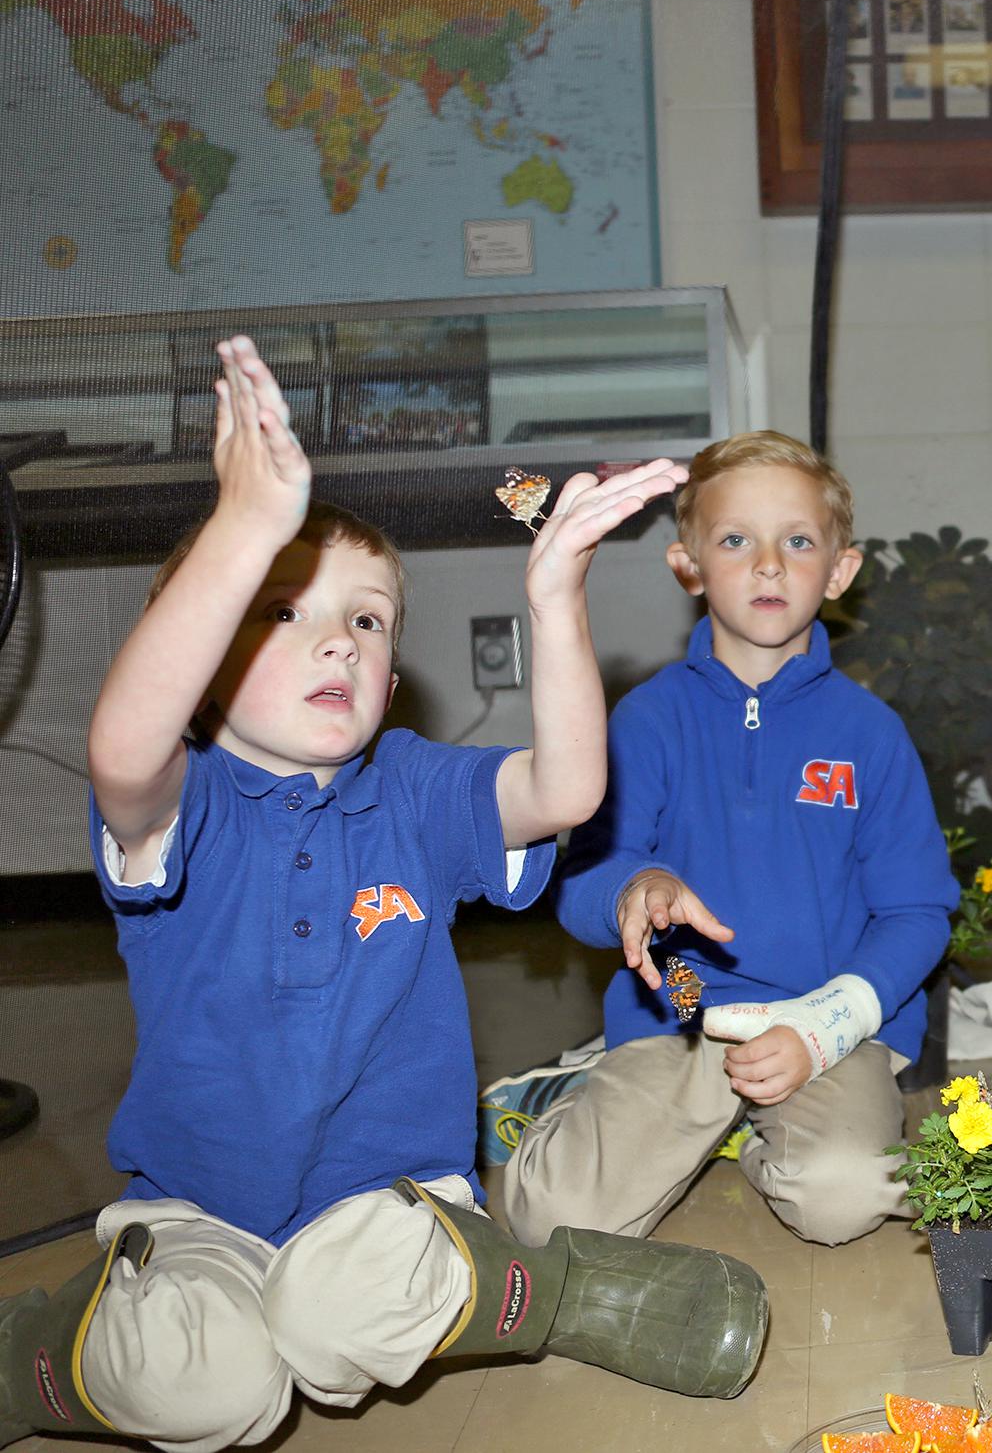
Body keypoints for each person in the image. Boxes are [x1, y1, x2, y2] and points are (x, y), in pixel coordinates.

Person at [0, 341, 765, 1451]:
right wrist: (246, 527)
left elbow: (564, 789)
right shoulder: (183, 801)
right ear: (203, 661)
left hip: (388, 1200)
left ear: (392, 673)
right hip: (198, 1208)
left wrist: (555, 600)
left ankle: (556, 1293)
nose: (335, 641)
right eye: (281, 611)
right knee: (208, 1394)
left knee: (342, 1311)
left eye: (365, 620)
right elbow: (123, 747)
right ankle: (37, 1357)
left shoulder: (413, 786)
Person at [492, 432, 957, 1251]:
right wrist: (635, 888)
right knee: (550, 1221)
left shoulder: (871, 735)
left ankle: (748, 1130)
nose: (769, 564)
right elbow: (582, 884)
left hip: (825, 1022)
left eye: (799, 541)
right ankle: (587, 1096)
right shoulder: (644, 719)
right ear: (689, 565)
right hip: (677, 1009)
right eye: (736, 539)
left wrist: (824, 1029)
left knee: (844, 1201)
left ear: (841, 571)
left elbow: (918, 912)